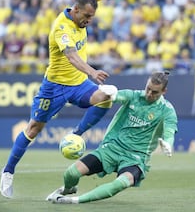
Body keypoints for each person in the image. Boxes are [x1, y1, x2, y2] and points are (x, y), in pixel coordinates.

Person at [0, 0, 115, 198]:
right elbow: (71, 56)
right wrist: (92, 71)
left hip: (78, 84)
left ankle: (76, 134)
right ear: (77, 11)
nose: (89, 21)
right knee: (33, 129)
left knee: (107, 96)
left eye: (92, 17)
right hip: (54, 88)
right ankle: (8, 171)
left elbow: (85, 2)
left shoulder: (78, 13)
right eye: (87, 16)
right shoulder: (61, 28)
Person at [46, 71, 178, 204]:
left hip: (135, 158)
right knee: (71, 173)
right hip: (111, 149)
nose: (149, 94)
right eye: (148, 88)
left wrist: (168, 142)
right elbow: (116, 96)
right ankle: (69, 189)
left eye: (154, 92)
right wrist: (110, 93)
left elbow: (170, 130)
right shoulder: (134, 96)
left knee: (120, 184)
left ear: (164, 91)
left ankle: (73, 200)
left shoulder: (167, 110)